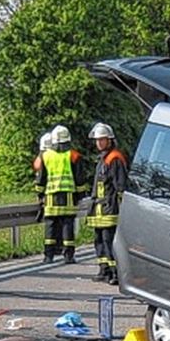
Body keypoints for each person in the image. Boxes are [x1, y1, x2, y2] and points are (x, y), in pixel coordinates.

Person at [34, 124, 87, 263]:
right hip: (69, 197)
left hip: (51, 197)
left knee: (50, 225)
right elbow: (79, 178)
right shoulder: (74, 155)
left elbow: (41, 178)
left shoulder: (46, 156)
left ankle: (48, 256)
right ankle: (68, 256)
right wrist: (81, 195)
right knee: (67, 226)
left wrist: (39, 195)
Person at [86, 122, 128, 284]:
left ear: (109, 140)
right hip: (98, 209)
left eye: (102, 140)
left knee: (109, 240)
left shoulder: (114, 158)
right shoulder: (102, 159)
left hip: (110, 208)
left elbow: (120, 186)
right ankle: (104, 270)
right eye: (97, 140)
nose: (99, 143)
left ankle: (115, 273)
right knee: (99, 240)